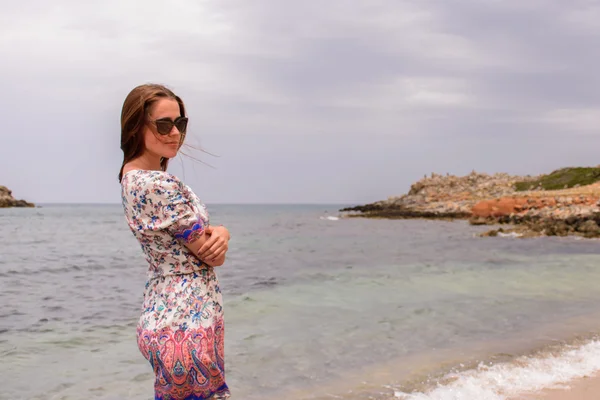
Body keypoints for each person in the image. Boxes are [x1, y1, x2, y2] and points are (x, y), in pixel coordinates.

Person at [119, 83, 231, 399]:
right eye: (163, 124)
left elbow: (193, 241)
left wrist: (221, 232)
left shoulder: (131, 178)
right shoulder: (158, 185)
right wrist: (222, 232)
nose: (174, 133)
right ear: (135, 127)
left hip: (164, 314)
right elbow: (212, 255)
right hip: (185, 322)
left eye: (179, 123)